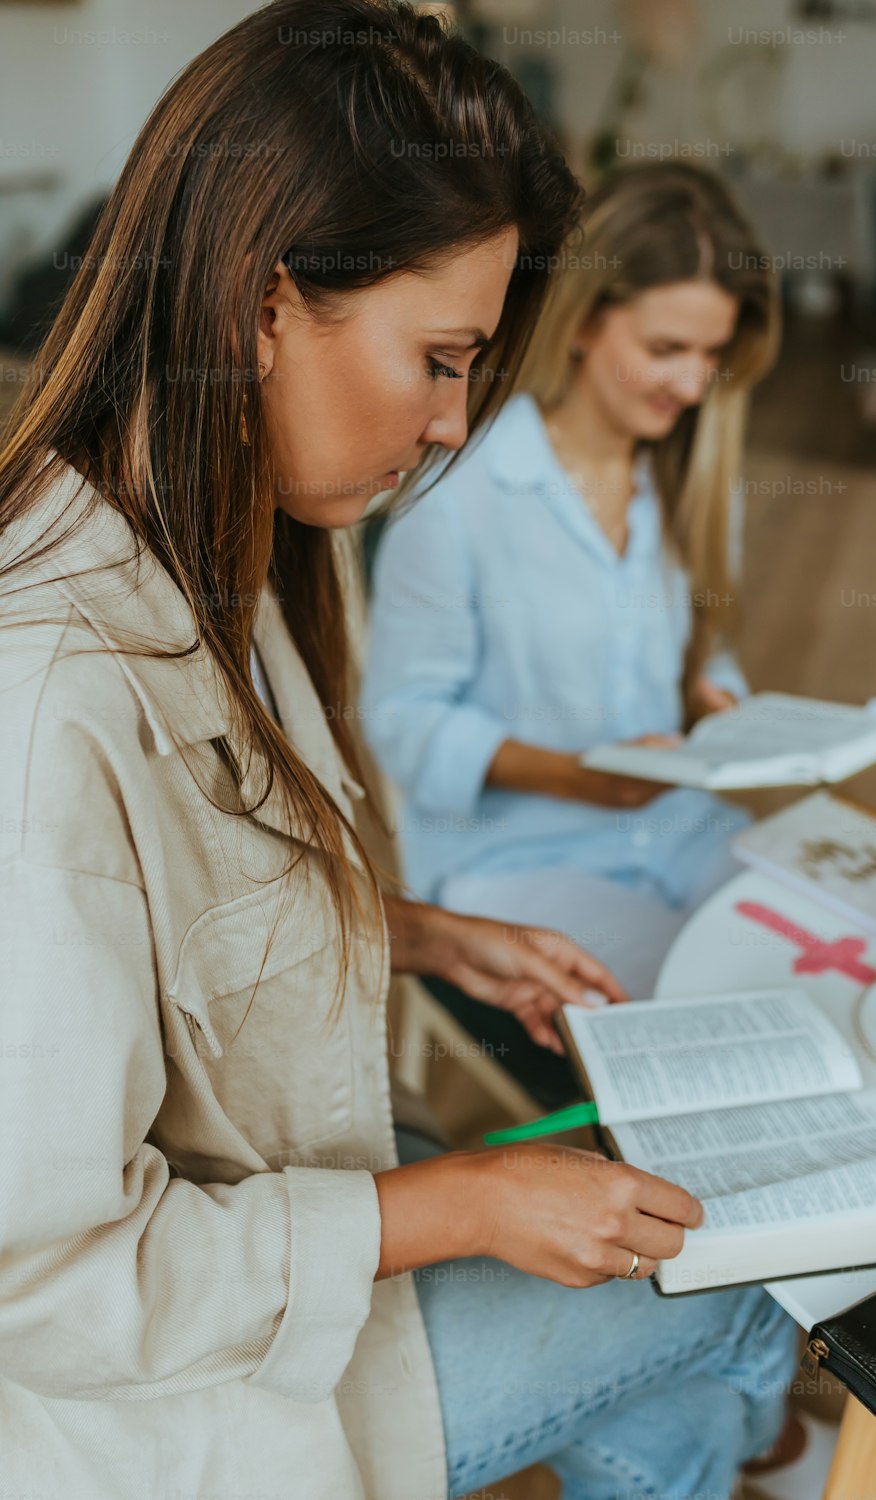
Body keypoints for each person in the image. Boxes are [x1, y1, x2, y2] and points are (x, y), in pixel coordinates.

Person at [0, 6, 797, 1499]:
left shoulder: (217, 560)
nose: (449, 426)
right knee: (737, 1278)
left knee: (673, 1340)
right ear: (263, 301)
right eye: (438, 360)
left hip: (313, 1224)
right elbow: (37, 1279)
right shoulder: (44, 700)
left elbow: (187, 928)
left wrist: (407, 934)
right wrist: (461, 1205)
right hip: (182, 1411)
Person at [361, 161, 780, 1094]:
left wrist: (722, 710)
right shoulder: (459, 495)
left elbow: (710, 660)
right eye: (668, 347)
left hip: (685, 830)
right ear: (588, 320)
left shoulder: (691, 487)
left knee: (839, 975)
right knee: (719, 1048)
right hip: (516, 856)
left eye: (712, 355)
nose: (694, 385)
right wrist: (577, 779)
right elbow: (403, 717)